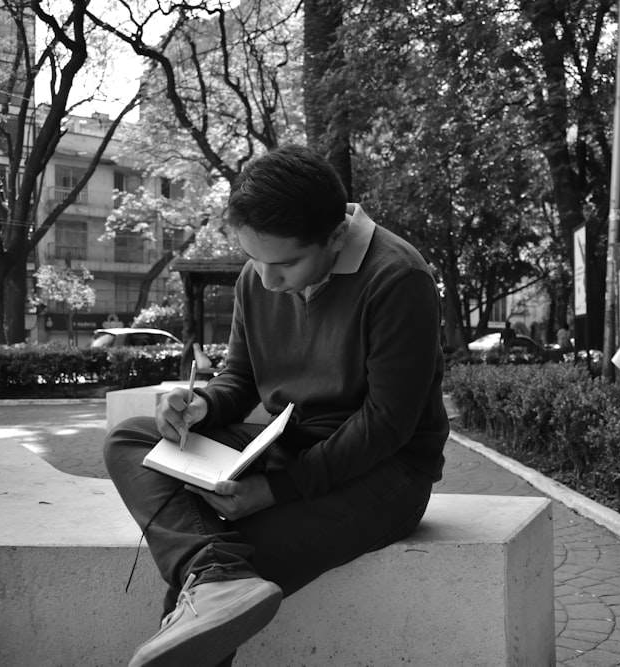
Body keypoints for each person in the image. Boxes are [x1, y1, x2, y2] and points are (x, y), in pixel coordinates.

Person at [104, 145, 450, 667]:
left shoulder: (398, 278)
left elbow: (387, 426)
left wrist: (277, 491)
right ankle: (214, 573)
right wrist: (199, 407)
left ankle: (213, 578)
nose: (267, 281)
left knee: (200, 602)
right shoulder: (258, 275)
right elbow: (240, 379)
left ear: (335, 236)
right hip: (283, 444)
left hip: (386, 474)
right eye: (254, 260)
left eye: (286, 264)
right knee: (130, 438)